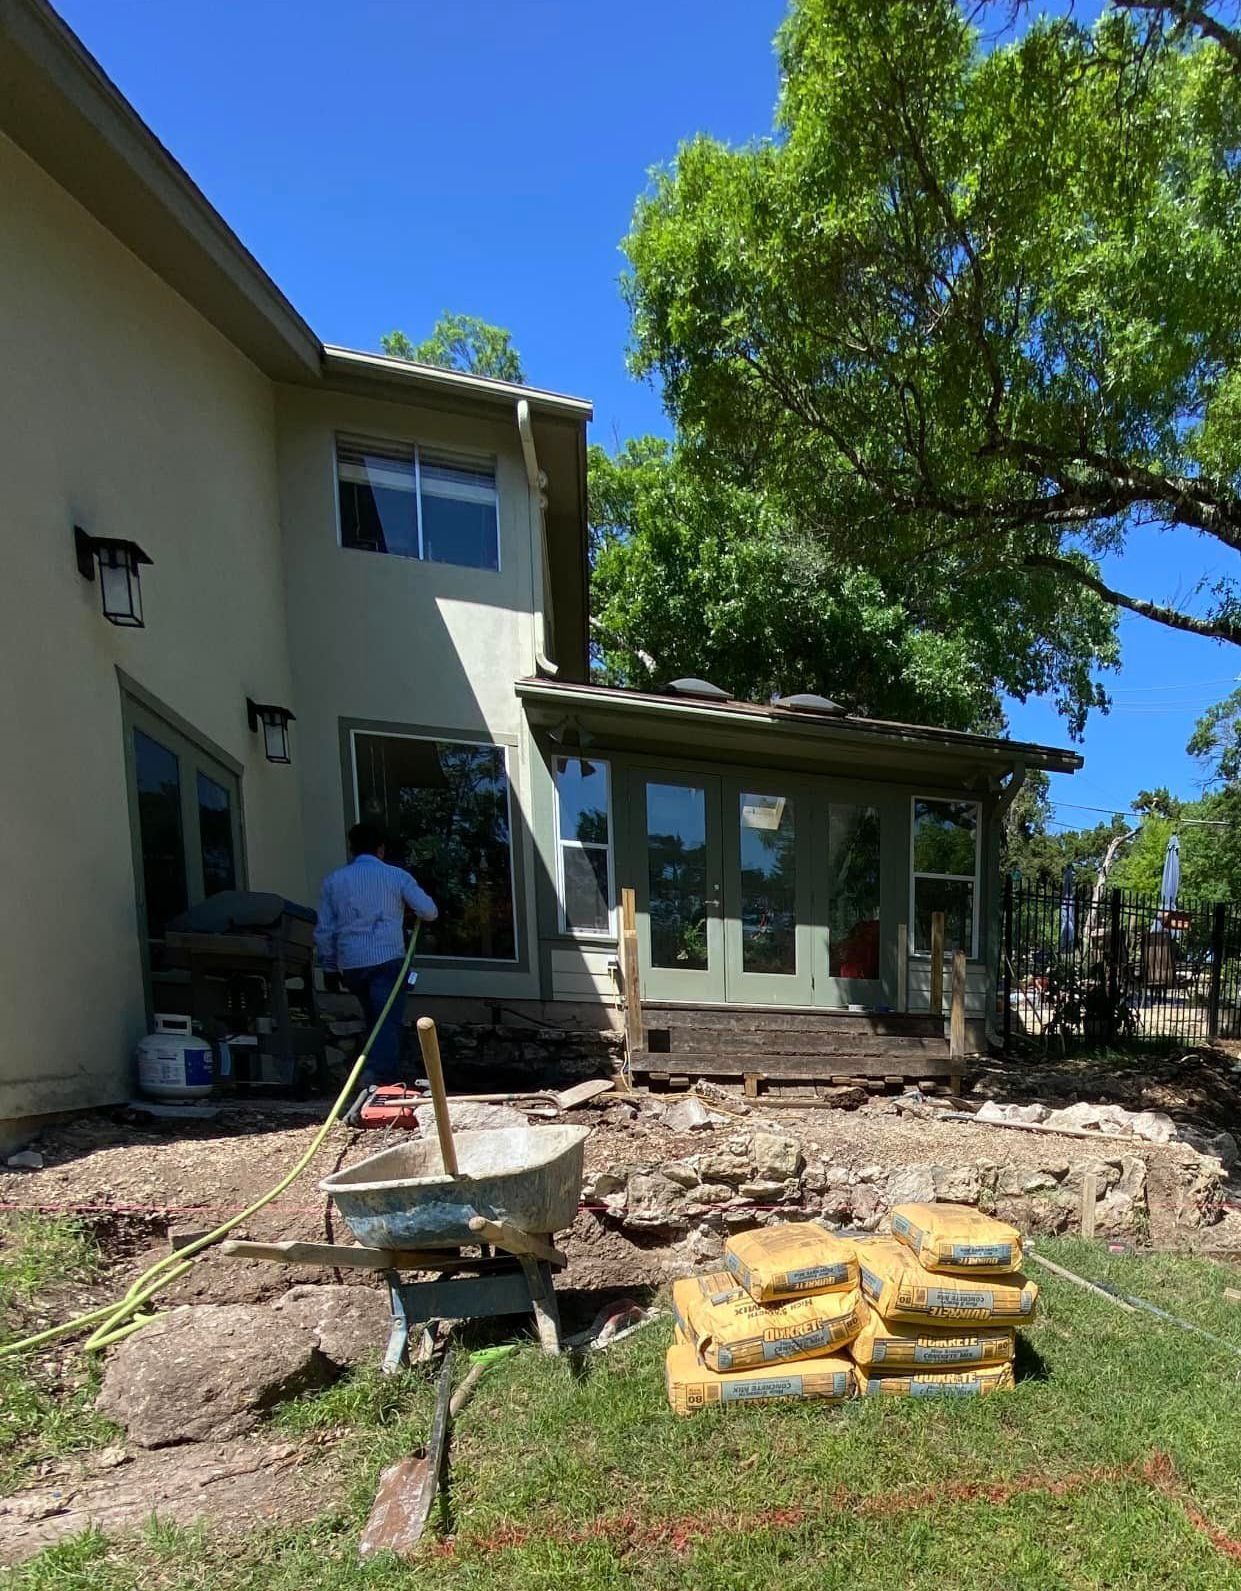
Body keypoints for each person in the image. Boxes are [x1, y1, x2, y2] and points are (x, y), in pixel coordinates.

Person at [314, 822, 438, 1088]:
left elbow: (325, 929)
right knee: (386, 1022)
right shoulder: (397, 877)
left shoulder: (335, 881)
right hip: (387, 959)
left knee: (375, 1018)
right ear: (381, 849)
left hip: (352, 964)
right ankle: (378, 1080)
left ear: (352, 849)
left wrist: (329, 968)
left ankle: (375, 1074)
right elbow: (429, 912)